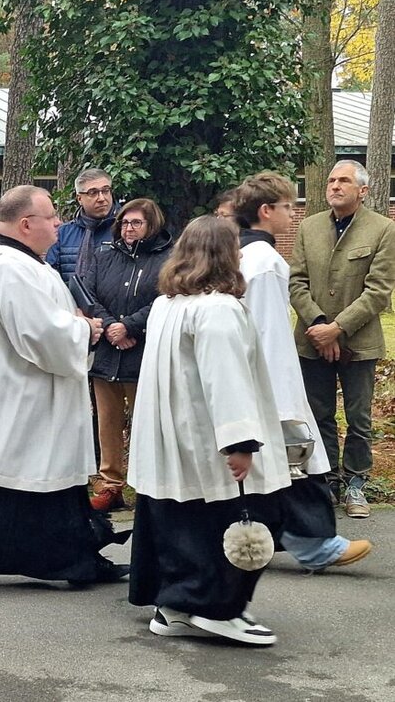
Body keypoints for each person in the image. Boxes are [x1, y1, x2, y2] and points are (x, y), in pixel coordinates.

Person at [0, 185, 128, 593]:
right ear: (27, 224)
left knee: (56, 484)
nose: (58, 224)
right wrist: (85, 329)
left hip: (35, 392)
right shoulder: (7, 266)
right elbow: (37, 333)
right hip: (12, 396)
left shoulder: (24, 260)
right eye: (51, 217)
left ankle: (78, 559)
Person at [128, 215, 290, 645]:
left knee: (177, 519)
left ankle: (174, 603)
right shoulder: (218, 308)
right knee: (227, 520)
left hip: (171, 439)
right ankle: (214, 607)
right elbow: (226, 378)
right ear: (225, 256)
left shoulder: (168, 303)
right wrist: (239, 442)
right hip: (206, 440)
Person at [235, 172, 371, 570]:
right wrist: (283, 398)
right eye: (286, 205)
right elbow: (269, 334)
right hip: (269, 379)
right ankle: (313, 543)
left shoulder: (240, 255)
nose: (292, 211)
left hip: (248, 377)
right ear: (266, 211)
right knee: (296, 459)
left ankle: (286, 538)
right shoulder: (267, 263)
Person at [289, 160, 395, 519]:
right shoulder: (308, 227)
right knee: (319, 416)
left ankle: (355, 484)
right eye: (332, 180)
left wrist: (339, 328)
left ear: (362, 190)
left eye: (344, 181)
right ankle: (326, 479)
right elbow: (297, 282)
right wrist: (319, 324)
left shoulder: (382, 229)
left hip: (358, 343)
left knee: (359, 418)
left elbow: (378, 291)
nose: (334, 186)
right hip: (312, 339)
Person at [83, 198, 173, 512]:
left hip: (143, 354)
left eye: (136, 223)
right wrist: (110, 327)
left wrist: (131, 327)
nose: (129, 229)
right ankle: (111, 484)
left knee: (146, 422)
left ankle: (148, 485)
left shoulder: (167, 259)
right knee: (107, 421)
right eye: (124, 222)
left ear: (152, 226)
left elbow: (166, 299)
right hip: (107, 354)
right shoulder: (104, 254)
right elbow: (88, 292)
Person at [46, 167, 120, 283]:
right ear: (79, 198)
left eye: (105, 191)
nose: (101, 198)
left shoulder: (124, 230)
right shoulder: (62, 234)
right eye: (93, 193)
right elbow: (49, 275)